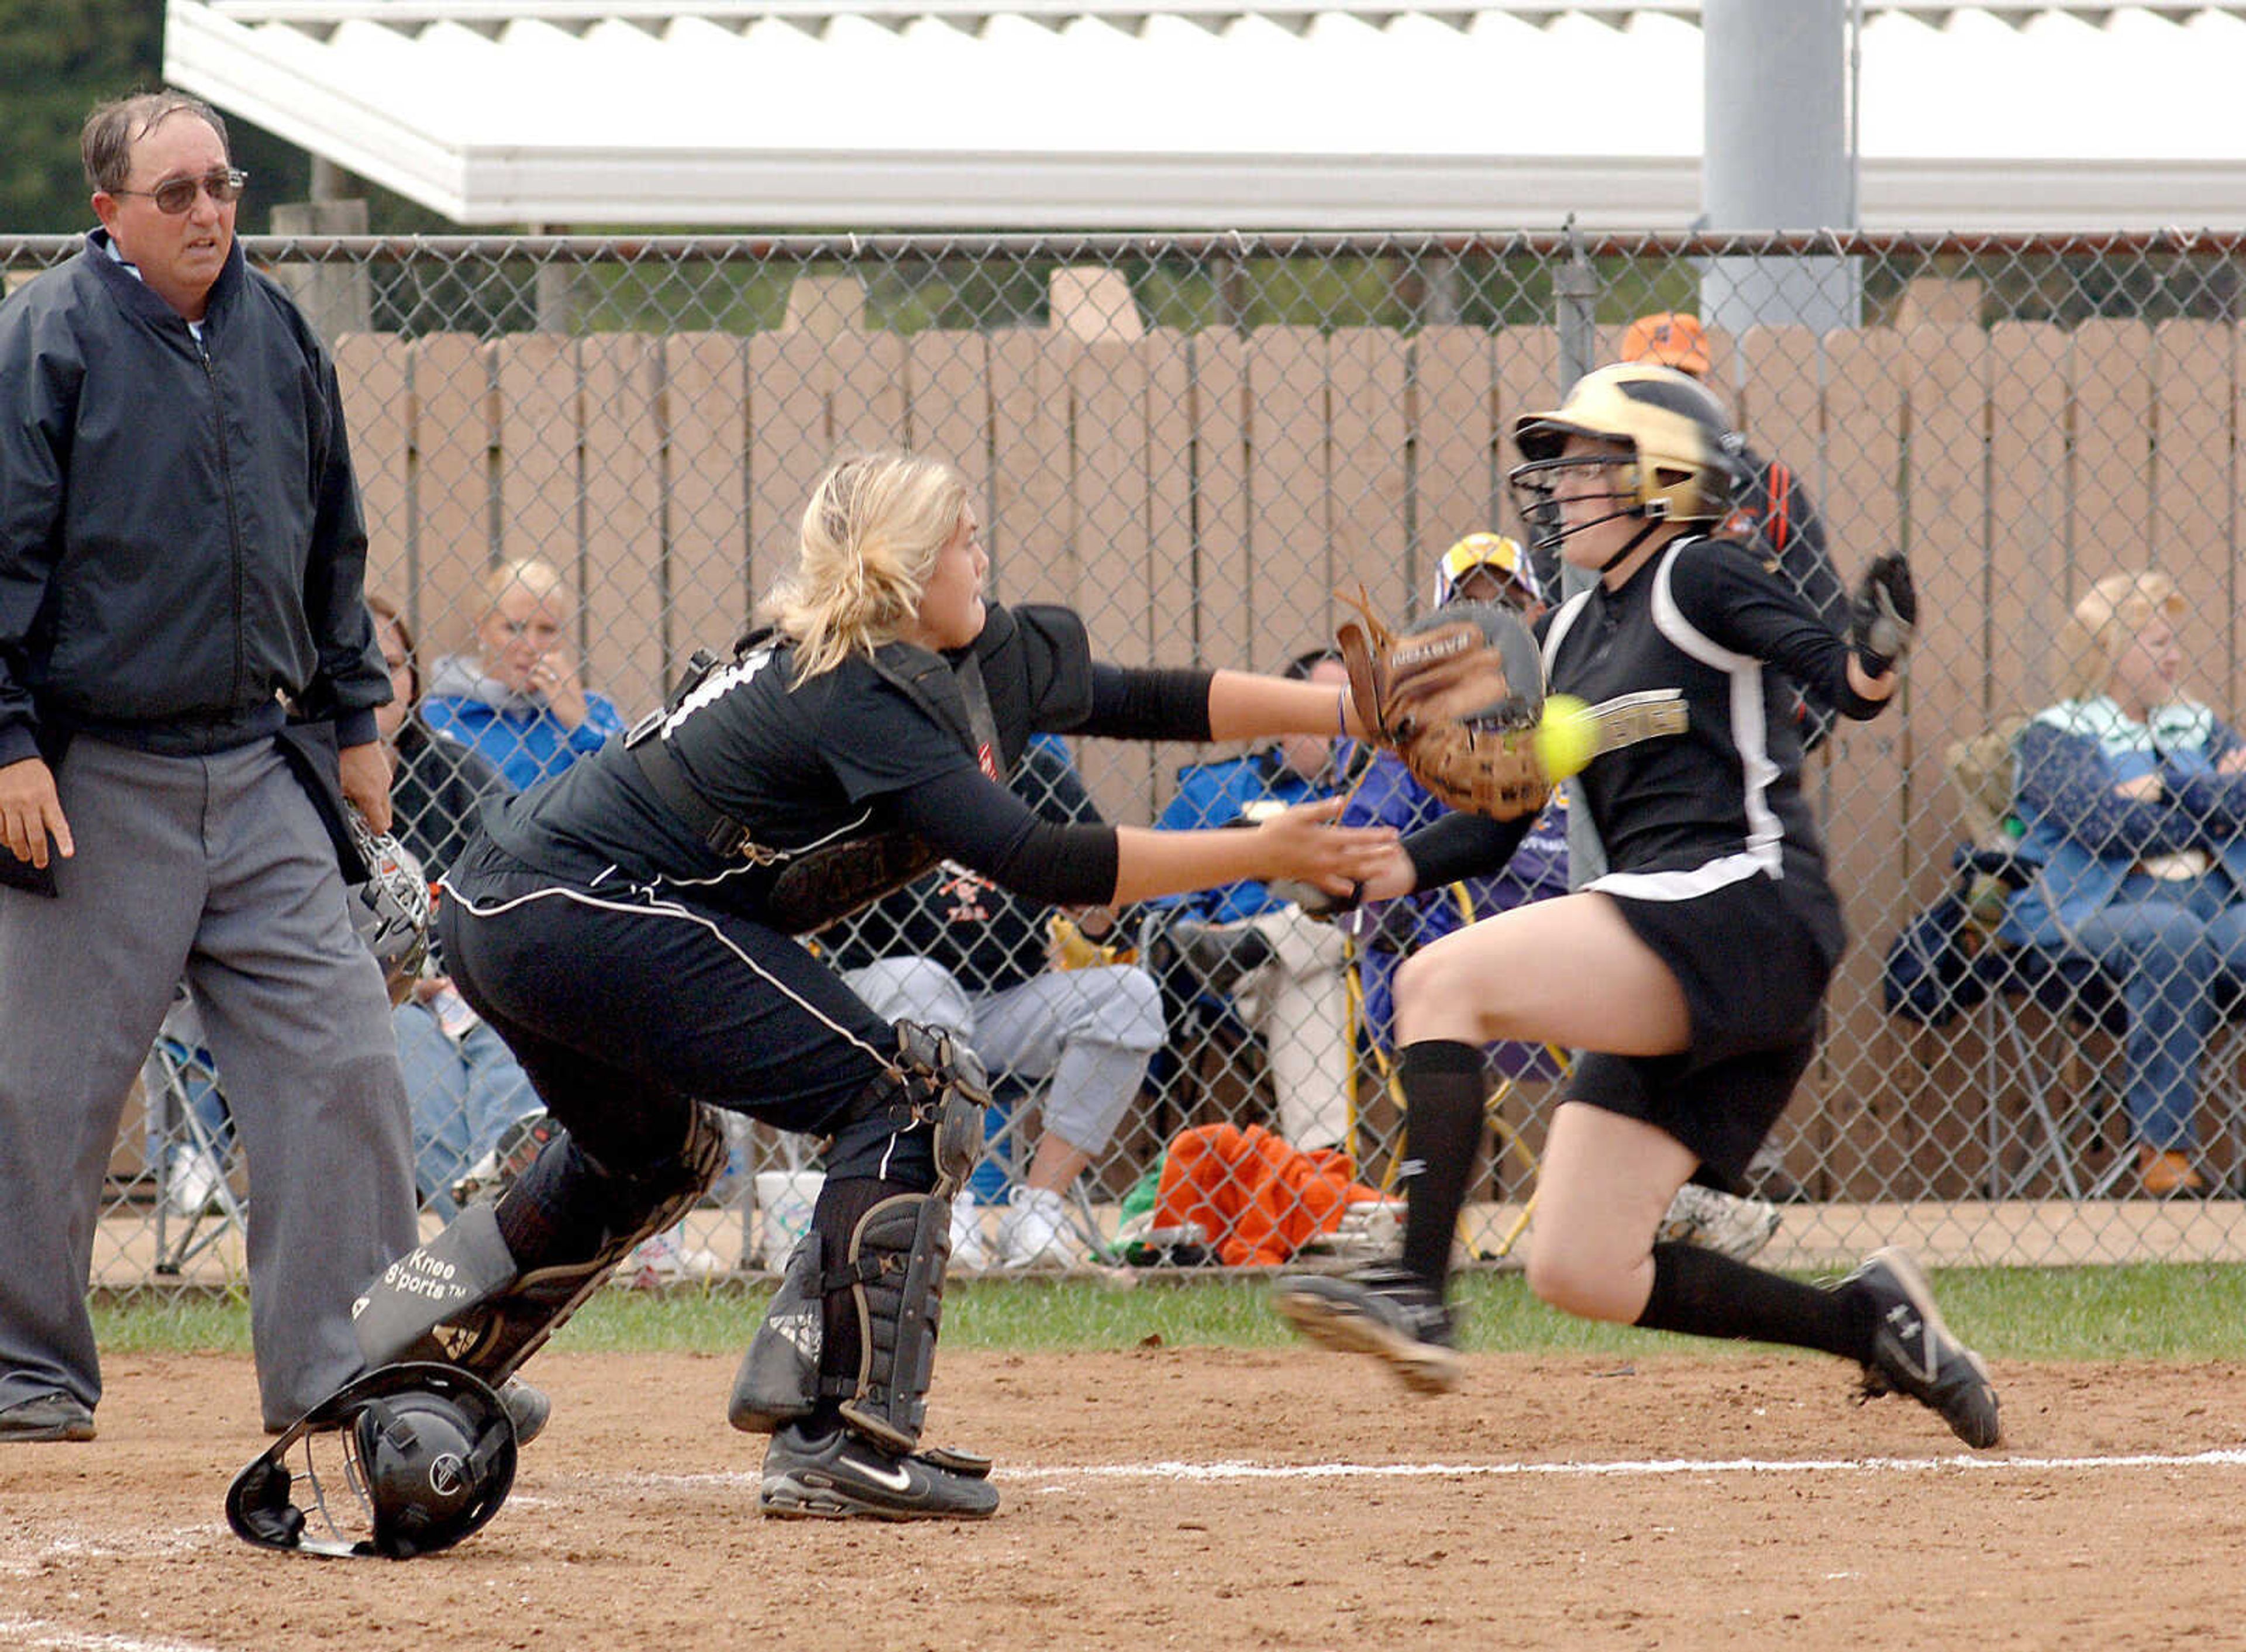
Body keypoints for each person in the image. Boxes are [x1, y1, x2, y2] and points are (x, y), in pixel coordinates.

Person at [346, 449, 1398, 1520]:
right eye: (960, 540)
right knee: (907, 1093)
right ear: (901, 571)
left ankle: (417, 1354)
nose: (979, 556)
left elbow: (1146, 697)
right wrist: (1262, 853)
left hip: (515, 907)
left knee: (655, 1155)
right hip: (579, 907)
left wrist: (1356, 711)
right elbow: (1039, 859)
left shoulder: (970, 653)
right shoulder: (856, 688)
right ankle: (843, 1433)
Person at [1274, 361, 2002, 1452]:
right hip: (1673, 934)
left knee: (1442, 979)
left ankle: (1416, 1289)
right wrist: (1392, 869)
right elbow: (1504, 819)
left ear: (1662, 477)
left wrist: (1876, 653)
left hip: (1739, 908)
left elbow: (1837, 679)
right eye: (1558, 466)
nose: (1559, 486)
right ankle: (1867, 1322)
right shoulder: (1567, 637)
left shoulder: (1699, 574)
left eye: (1585, 463)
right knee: (1580, 1265)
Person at [0, 91, 421, 1441]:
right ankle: (26, 1370)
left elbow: (331, 540)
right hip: (92, 773)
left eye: (221, 186)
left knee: (344, 1059)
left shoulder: (276, 330)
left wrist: (358, 721)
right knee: (43, 1088)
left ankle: (344, 1364)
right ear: (107, 211)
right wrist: (7, 744)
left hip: (257, 763)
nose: (207, 212)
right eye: (173, 193)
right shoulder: (48, 339)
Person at [1342, 532, 1781, 1264]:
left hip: (1619, 957)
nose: (1493, 619)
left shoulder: (1580, 710)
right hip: (1488, 976)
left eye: (1508, 602)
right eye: (1470, 608)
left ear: (1539, 613)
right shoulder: (1417, 759)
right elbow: (1380, 867)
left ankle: (1677, 1176)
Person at [829, 737, 1165, 1271]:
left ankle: (1039, 1207)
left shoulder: (1035, 775)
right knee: (923, 981)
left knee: (1130, 996)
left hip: (1007, 1001)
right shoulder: (878, 758)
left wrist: (1098, 906)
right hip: (888, 1005)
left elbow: (1111, 915)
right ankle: (940, 1203)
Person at [2002, 571, 2246, 1198]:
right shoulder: (2056, 733)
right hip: (2097, 909)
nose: (2175, 655)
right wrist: (2207, 794)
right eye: (2158, 642)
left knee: (2192, 930)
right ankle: (2163, 1149)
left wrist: (2164, 787)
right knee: (2174, 937)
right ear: (2111, 650)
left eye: (2174, 641)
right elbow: (2106, 824)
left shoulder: (2194, 722)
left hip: (2215, 898)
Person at [368, 594, 543, 1219]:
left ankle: (504, 1187)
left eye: (391, 664)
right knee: (410, 1057)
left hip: (469, 979)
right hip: (375, 994)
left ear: (413, 680)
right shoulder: (290, 777)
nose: (376, 681)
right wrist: (407, 981)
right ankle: (499, 1224)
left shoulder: (450, 769)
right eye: (356, 663)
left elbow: (524, 865)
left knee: (511, 1037)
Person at [1146, 649, 1359, 1156]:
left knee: (1318, 953)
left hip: (1370, 968)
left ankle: (1263, 942)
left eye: (1350, 713)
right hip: (1242, 981)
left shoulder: (1385, 787)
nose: (1336, 728)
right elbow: (1160, 877)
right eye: (1323, 709)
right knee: (1306, 977)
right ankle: (1322, 1170)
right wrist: (1199, 928)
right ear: (1287, 718)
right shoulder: (1220, 788)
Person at [1619, 312, 1849, 757]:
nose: (1670, 396)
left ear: (1705, 389)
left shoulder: (1769, 488)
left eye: (1684, 379)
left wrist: (1785, 731)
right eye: (1653, 380)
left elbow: (1824, 614)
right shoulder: (1599, 490)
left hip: (1745, 734)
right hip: (1635, 735)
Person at [420, 557, 627, 792]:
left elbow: (633, 791)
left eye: (547, 630)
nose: (531, 645)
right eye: (514, 628)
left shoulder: (596, 711)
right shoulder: (437, 716)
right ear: (481, 630)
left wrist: (579, 725)